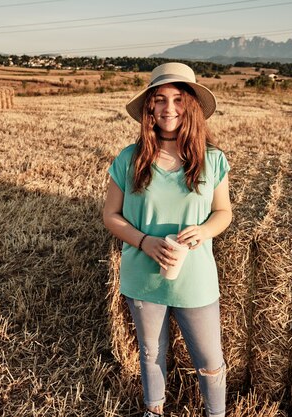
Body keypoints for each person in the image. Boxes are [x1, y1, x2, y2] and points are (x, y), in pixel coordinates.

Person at [103, 63, 232, 417]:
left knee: (209, 358)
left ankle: (215, 414)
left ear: (190, 105)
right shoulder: (130, 159)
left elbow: (224, 212)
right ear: (149, 108)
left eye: (177, 99)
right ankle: (153, 410)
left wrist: (205, 230)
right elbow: (110, 216)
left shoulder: (212, 160)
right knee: (151, 353)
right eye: (159, 100)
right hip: (142, 276)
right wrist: (144, 241)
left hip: (195, 278)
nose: (168, 108)